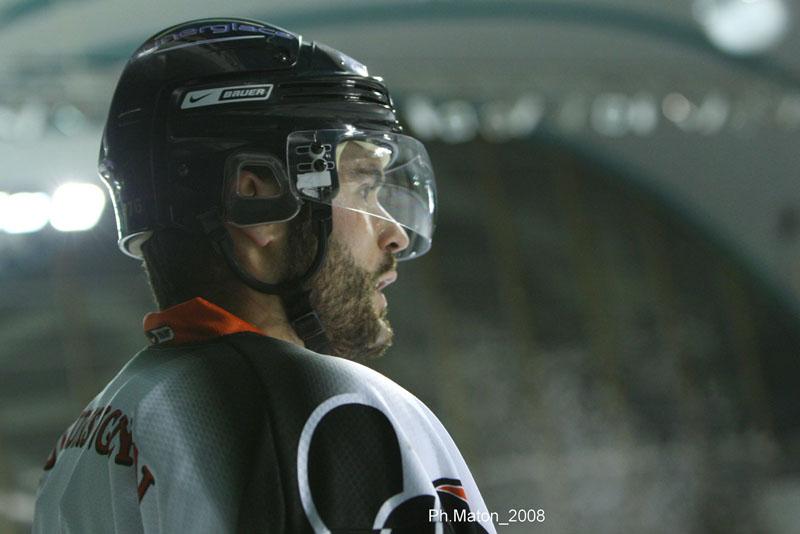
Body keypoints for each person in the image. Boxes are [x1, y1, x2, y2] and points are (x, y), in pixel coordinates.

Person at [33, 18, 495, 533]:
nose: (395, 236)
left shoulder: (87, 437)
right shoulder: (328, 405)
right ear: (258, 199)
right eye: (364, 188)